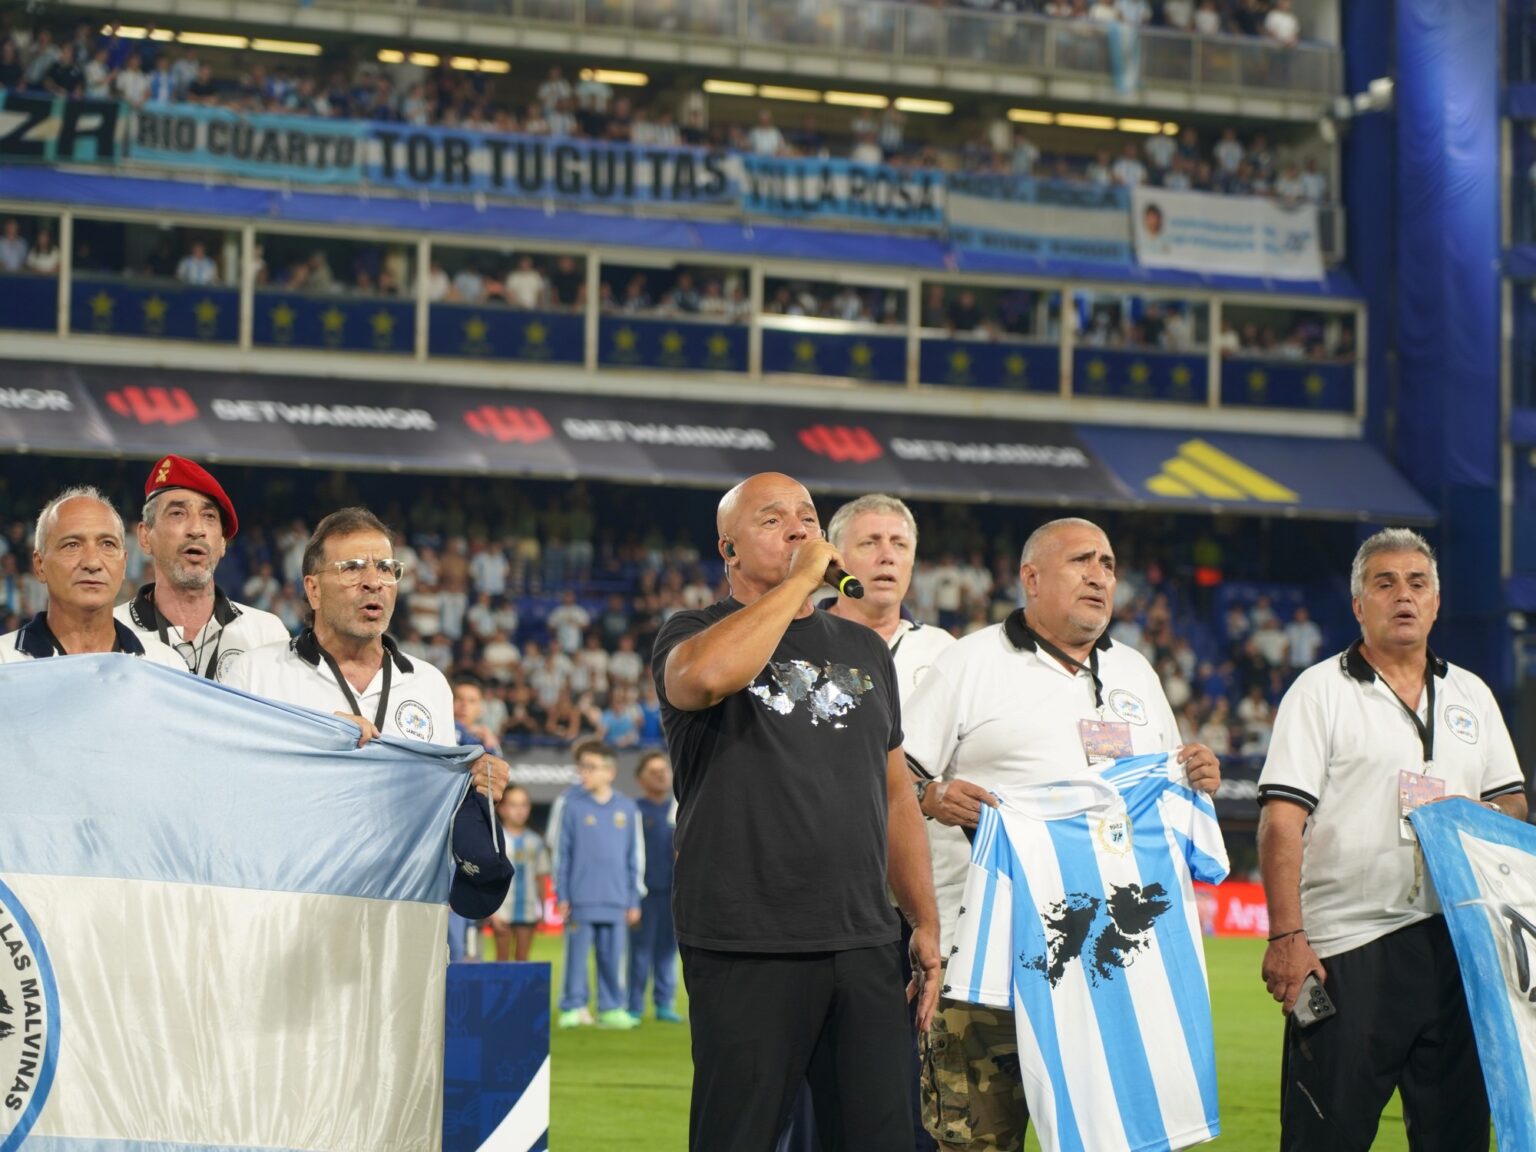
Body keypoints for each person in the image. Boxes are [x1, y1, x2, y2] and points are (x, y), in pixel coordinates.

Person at [902, 517, 1221, 1152]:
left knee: (1112, 1139)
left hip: (1110, 968)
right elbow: (888, 786)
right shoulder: (967, 663)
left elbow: (1170, 779)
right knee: (974, 1144)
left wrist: (1197, 774)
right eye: (1082, 561)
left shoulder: (1136, 674)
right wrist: (930, 795)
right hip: (986, 959)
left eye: (1107, 563)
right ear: (1031, 577)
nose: (1100, 576)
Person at [653, 471, 940, 1152]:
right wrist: (796, 583)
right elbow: (706, 679)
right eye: (773, 519)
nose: (799, 530)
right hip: (746, 940)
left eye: (809, 518)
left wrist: (923, 922)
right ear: (728, 549)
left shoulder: (867, 650)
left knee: (882, 1139)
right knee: (739, 1137)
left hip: (864, 938)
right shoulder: (693, 631)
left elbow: (896, 793)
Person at [1257, 528, 1527, 1152]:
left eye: (1417, 583)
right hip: (1350, 947)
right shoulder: (1318, 691)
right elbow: (1280, 822)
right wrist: (1286, 937)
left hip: (1462, 949)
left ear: (1436, 602)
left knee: (1457, 1137)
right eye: (1384, 583)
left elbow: (1512, 805)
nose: (1402, 595)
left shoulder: (1473, 695)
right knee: (1325, 1137)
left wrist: (1474, 814)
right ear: (1359, 605)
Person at [221, 507, 510, 924]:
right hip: (285, 918)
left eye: (386, 568)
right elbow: (228, 793)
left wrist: (473, 781)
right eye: (352, 567)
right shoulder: (256, 673)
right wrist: (309, 743)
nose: (373, 581)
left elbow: (439, 805)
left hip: (403, 925)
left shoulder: (428, 684)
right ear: (314, 589)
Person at [117, 455, 289, 680]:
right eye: (178, 513)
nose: (196, 529)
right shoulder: (113, 631)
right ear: (145, 536)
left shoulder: (267, 634)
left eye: (209, 516)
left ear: (222, 543)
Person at [1, 487, 184, 667]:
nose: (92, 563)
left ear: (124, 565)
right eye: (72, 545)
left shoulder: (166, 665)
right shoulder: (5, 661)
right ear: (40, 565)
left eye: (107, 544)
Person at [549, 740, 643, 1030]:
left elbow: (635, 857)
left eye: (591, 767)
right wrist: (562, 894)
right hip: (580, 898)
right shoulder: (570, 805)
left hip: (616, 898)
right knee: (576, 957)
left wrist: (634, 897)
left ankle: (611, 1007)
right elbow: (560, 853)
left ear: (610, 772)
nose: (584, 773)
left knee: (613, 958)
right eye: (581, 767)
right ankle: (573, 1006)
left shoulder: (627, 808)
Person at [627, 749, 681, 1024]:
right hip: (643, 892)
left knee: (667, 950)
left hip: (674, 892)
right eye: (654, 772)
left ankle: (664, 1003)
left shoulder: (680, 807)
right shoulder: (633, 810)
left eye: (664, 770)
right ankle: (634, 1005)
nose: (661, 775)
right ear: (640, 779)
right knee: (640, 950)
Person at [488, 785, 550, 963]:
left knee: (523, 960)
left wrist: (543, 910)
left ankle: (521, 992)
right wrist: (492, 912)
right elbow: (488, 879)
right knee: (502, 960)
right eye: (514, 805)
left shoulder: (536, 841)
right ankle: (500, 992)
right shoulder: (495, 841)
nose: (520, 811)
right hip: (502, 909)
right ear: (502, 808)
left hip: (528, 910)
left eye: (524, 805)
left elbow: (540, 877)